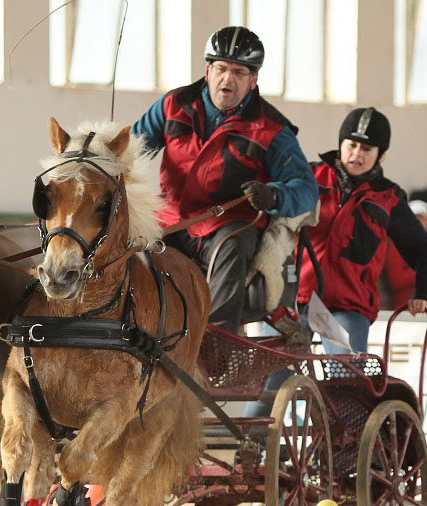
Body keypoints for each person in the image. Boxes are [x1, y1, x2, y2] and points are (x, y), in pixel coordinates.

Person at [131, 26, 318, 333]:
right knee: (128, 248)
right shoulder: (172, 105)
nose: (227, 79)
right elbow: (130, 149)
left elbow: (306, 189)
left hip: (228, 225)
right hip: (172, 218)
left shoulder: (271, 129)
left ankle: (217, 342)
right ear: (208, 70)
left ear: (253, 79)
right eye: (221, 68)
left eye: (239, 72)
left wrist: (273, 196)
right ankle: (135, 332)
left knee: (231, 247)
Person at [295, 107, 427, 354]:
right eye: (351, 145)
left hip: (346, 307)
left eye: (367, 149)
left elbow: (422, 248)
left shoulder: (390, 199)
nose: (357, 154)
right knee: (270, 381)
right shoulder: (309, 178)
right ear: (340, 145)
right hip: (295, 301)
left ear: (381, 155)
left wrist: (424, 290)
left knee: (345, 379)